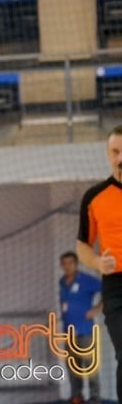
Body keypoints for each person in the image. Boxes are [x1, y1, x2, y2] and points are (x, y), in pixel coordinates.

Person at [78, 125, 122, 402]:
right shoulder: (94, 197)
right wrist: (96, 261)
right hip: (116, 287)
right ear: (107, 155)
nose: (120, 158)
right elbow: (82, 245)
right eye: (115, 152)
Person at [59, 251, 102, 404]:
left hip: (85, 331)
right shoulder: (62, 282)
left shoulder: (87, 280)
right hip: (68, 332)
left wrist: (97, 309)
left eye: (70, 263)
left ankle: (95, 397)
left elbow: (108, 291)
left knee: (90, 366)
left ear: (76, 264)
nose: (67, 266)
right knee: (73, 366)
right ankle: (77, 395)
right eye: (64, 263)